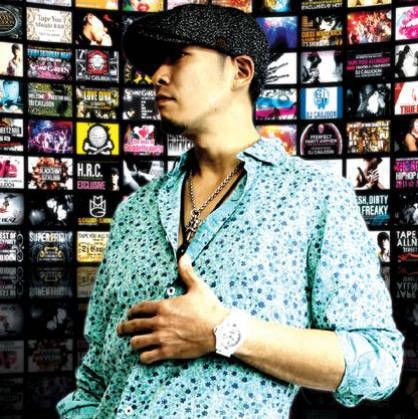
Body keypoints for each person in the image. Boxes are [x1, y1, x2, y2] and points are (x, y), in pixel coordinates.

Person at [57, 4, 404, 418]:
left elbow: (377, 361)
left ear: (240, 71)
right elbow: (94, 379)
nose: (158, 76)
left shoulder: (315, 198)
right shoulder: (134, 212)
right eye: (154, 65)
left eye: (177, 56)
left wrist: (224, 331)